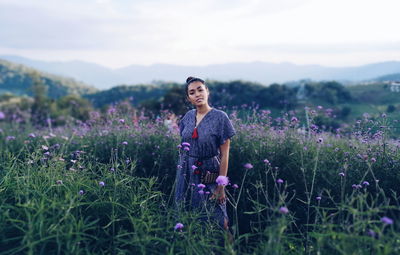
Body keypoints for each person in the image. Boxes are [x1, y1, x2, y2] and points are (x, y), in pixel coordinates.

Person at [175, 76, 236, 231]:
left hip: (209, 174)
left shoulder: (220, 117)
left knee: (220, 222)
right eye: (192, 92)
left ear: (207, 91)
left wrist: (221, 186)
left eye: (200, 90)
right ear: (188, 98)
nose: (197, 94)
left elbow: (225, 155)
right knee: (188, 218)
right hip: (187, 173)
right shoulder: (188, 117)